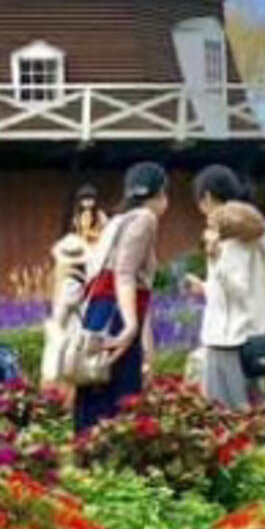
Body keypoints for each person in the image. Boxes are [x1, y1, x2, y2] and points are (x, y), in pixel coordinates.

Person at [73, 161, 168, 434]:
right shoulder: (145, 218)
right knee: (120, 403)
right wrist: (130, 327)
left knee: (94, 393)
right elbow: (125, 274)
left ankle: (85, 464)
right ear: (160, 193)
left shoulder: (115, 222)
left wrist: (145, 343)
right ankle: (110, 468)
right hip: (117, 314)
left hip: (99, 312)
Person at [186, 165, 265, 410]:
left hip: (228, 341)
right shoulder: (259, 234)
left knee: (226, 418)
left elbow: (238, 290)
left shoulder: (232, 240)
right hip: (256, 336)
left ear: (206, 197)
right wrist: (205, 288)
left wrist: (216, 259)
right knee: (255, 413)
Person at [41, 186, 107, 386]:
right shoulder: (73, 224)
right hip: (74, 287)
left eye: (91, 200)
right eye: (84, 201)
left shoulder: (102, 220)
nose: (87, 206)